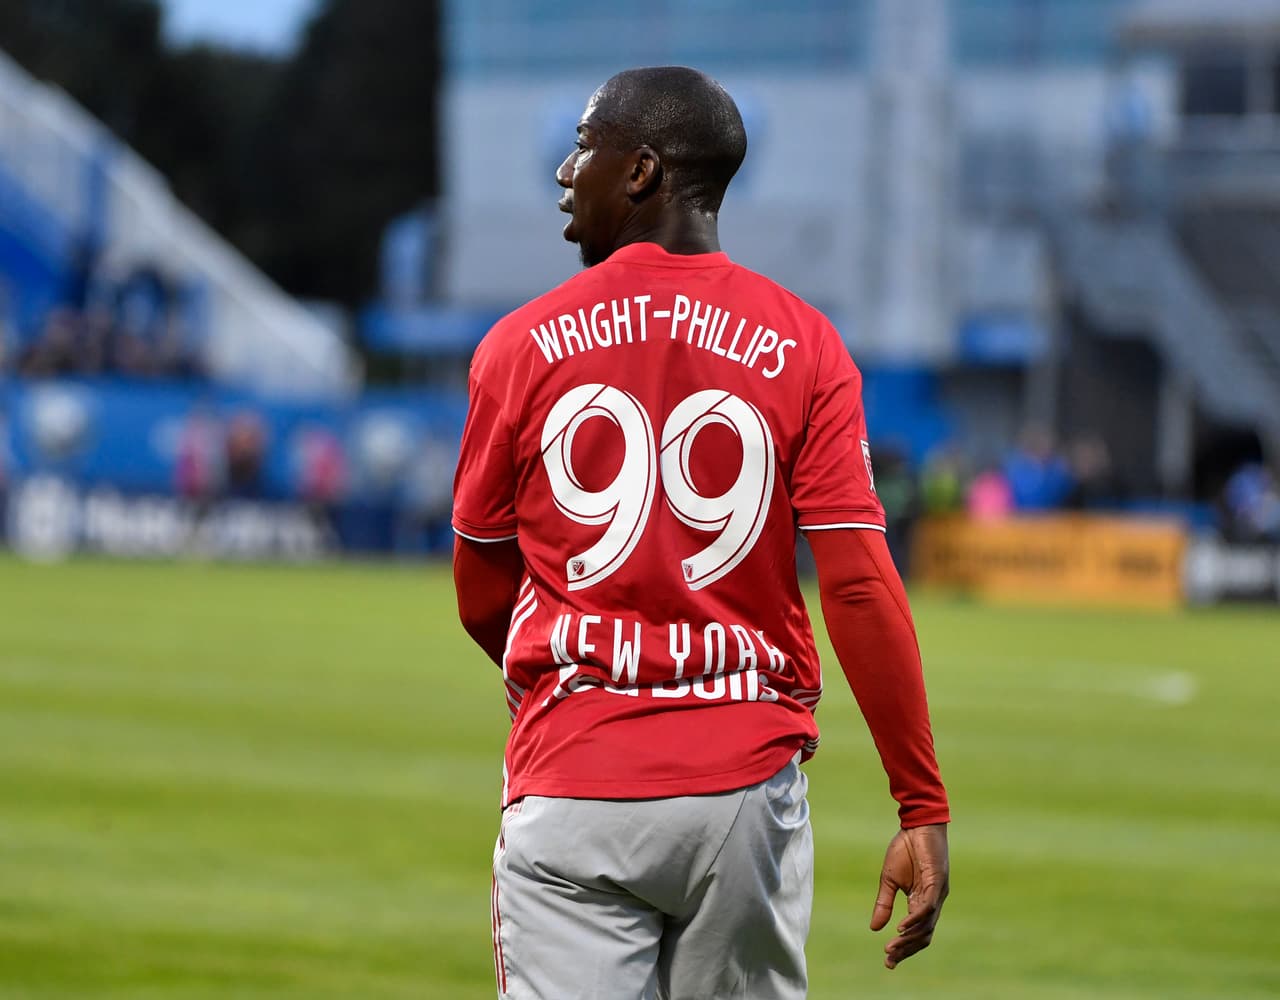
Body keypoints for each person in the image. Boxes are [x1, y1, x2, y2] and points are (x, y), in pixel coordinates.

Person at [452, 66, 950, 1000]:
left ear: (641, 172)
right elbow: (856, 584)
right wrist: (919, 799)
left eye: (585, 148)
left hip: (574, 780)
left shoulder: (516, 345)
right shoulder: (806, 344)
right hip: (743, 785)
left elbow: (482, 590)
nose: (565, 173)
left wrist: (580, 688)